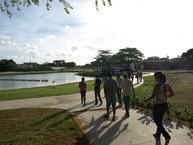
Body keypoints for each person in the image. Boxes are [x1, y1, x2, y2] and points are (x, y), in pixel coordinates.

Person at [145, 72, 174, 145]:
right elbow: (172, 94)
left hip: (158, 105)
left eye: (155, 77)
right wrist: (164, 96)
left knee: (156, 121)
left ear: (158, 77)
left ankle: (166, 136)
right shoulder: (167, 85)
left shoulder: (158, 85)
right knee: (159, 120)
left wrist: (146, 100)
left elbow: (152, 96)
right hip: (164, 105)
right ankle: (158, 134)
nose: (154, 79)